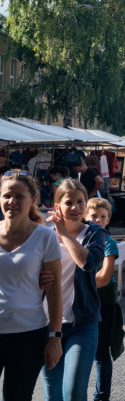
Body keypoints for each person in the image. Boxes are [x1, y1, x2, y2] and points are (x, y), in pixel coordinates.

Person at [0, 170, 64, 400]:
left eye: (19, 196)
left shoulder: (44, 237)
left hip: (28, 335)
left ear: (32, 201)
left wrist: (55, 338)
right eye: (7, 195)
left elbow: (55, 291)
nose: (12, 202)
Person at [42, 179, 107, 401]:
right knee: (53, 395)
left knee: (73, 392)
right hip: (47, 324)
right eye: (69, 202)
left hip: (83, 323)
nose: (75, 208)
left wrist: (65, 234)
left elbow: (87, 263)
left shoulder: (94, 233)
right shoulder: (43, 233)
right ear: (57, 205)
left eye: (80, 202)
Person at [86, 197, 125, 401]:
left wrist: (79, 282)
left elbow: (104, 277)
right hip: (81, 302)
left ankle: (101, 396)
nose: (98, 220)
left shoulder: (109, 243)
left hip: (103, 302)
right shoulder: (79, 239)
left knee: (101, 353)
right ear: (85, 216)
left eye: (103, 217)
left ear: (108, 219)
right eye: (94, 216)